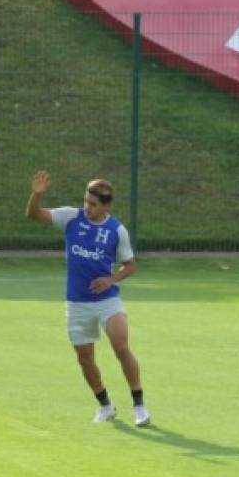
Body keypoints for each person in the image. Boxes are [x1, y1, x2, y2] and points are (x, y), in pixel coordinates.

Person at [25, 170, 150, 427]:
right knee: (84, 358)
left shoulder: (117, 231)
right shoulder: (71, 217)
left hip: (108, 301)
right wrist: (36, 195)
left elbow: (130, 266)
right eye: (86, 201)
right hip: (77, 302)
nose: (87, 207)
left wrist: (110, 280)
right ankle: (105, 405)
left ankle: (139, 405)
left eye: (93, 204)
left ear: (106, 205)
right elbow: (34, 215)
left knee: (121, 347)